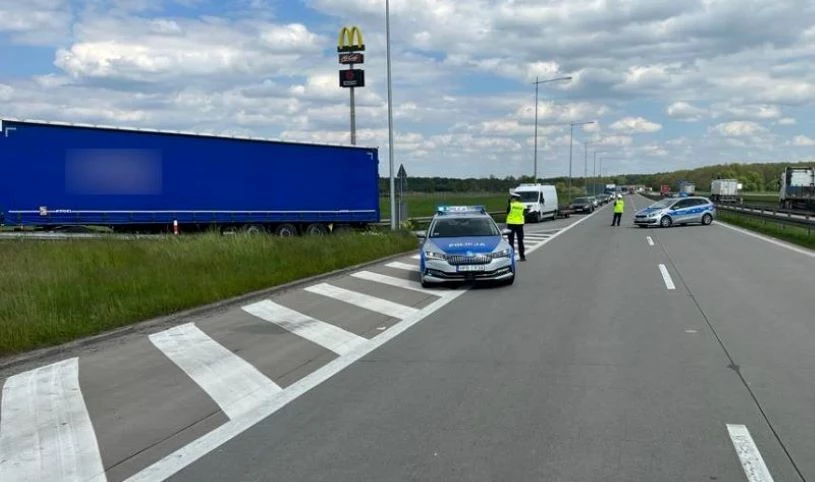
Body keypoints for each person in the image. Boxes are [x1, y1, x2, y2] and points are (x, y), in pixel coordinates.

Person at [506, 192, 528, 261]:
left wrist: (509, 203)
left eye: (512, 197)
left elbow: (507, 212)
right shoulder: (523, 205)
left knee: (511, 241)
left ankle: (512, 257)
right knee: (520, 241)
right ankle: (522, 257)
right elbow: (524, 213)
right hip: (520, 225)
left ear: (514, 198)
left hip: (511, 224)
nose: (512, 198)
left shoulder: (511, 205)